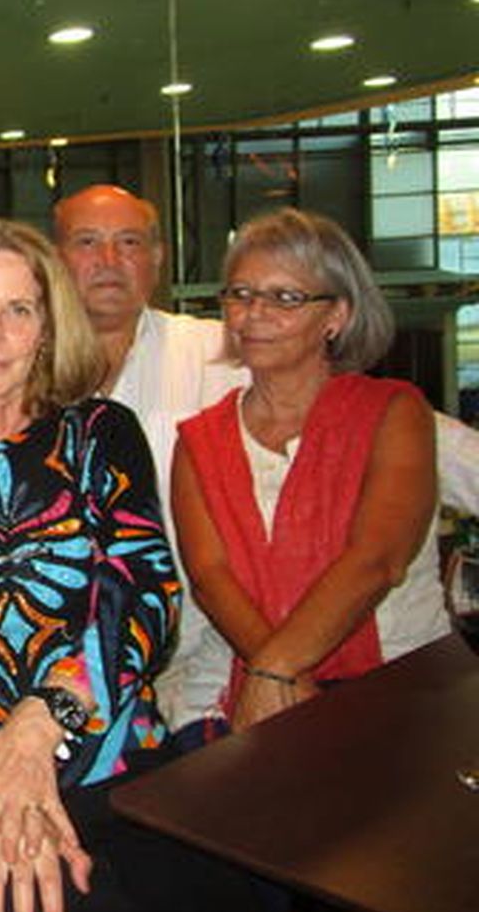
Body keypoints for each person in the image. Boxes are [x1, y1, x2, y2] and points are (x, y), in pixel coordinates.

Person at [0, 219, 273, 912]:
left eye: (19, 309)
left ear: (47, 330)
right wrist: (4, 771)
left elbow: (144, 594)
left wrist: (39, 727)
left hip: (111, 749)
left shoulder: (102, 433)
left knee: (231, 902)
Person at [172, 208, 447, 735]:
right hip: (243, 686)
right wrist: (278, 676)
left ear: (336, 316)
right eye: (240, 294)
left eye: (285, 298)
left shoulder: (394, 412)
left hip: (400, 686)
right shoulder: (201, 438)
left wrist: (275, 668)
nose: (254, 315)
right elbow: (210, 579)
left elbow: (377, 560)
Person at [52, 184, 246, 737]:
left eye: (129, 242)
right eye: (88, 242)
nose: (109, 262)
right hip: (60, 678)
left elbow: (359, 421)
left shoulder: (220, 354)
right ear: (56, 258)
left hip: (200, 664)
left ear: (156, 258)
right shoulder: (14, 370)